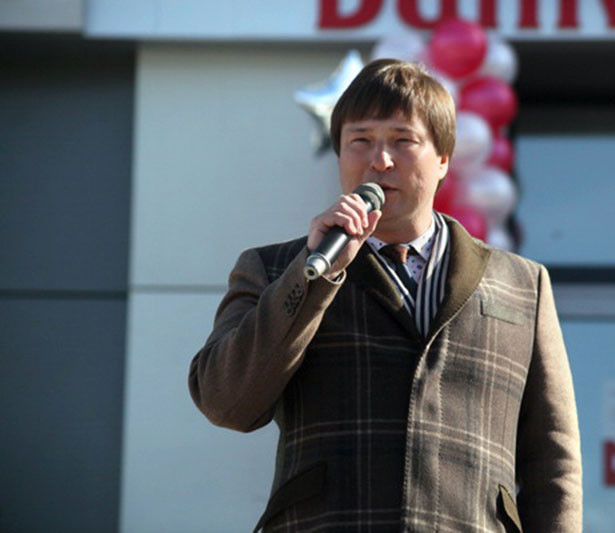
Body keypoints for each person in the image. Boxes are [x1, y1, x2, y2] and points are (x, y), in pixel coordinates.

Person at [189, 59, 582, 532]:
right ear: (339, 154)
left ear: (443, 159)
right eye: (360, 140)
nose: (380, 160)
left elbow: (554, 461)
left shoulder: (522, 284)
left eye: (402, 140)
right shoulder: (274, 269)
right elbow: (225, 401)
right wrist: (314, 277)